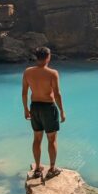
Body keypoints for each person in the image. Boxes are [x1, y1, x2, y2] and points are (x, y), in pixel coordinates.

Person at [22, 46, 66, 182]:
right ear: (48, 57)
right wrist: (62, 110)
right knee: (52, 139)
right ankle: (52, 169)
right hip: (48, 107)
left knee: (37, 139)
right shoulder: (52, 73)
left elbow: (24, 93)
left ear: (36, 57)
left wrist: (25, 109)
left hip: (34, 107)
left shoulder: (28, 72)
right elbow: (57, 94)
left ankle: (37, 169)